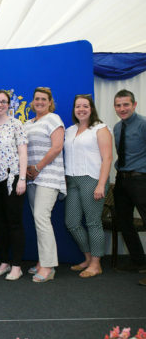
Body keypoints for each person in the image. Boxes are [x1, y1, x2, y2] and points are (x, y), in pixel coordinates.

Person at [64, 94, 112, 278]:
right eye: (78, 106)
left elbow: (107, 158)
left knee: (93, 222)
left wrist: (101, 184)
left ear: (91, 109)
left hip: (92, 179)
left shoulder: (100, 128)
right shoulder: (70, 130)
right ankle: (88, 258)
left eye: (85, 106)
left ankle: (96, 264)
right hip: (72, 181)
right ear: (74, 110)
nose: (81, 109)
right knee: (72, 223)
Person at [25, 87, 66, 283]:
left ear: (50, 102)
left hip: (48, 175)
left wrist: (38, 167)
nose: (40, 102)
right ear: (32, 102)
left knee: (41, 217)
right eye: (37, 99)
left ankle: (48, 267)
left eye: (43, 99)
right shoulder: (27, 123)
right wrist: (27, 170)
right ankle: (42, 261)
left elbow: (57, 147)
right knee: (38, 219)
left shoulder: (53, 119)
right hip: (31, 177)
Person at [0, 90, 28, 281]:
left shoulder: (16, 124)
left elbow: (23, 152)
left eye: (4, 101)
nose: (0, 104)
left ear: (9, 104)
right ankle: (4, 262)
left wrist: (22, 179)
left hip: (13, 179)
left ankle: (17, 266)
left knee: (14, 223)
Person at [112, 89, 146, 286]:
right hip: (122, 180)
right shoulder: (117, 128)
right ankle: (139, 261)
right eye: (118, 105)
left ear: (134, 105)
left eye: (126, 104)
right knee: (123, 221)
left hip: (141, 179)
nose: (122, 108)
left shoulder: (143, 124)